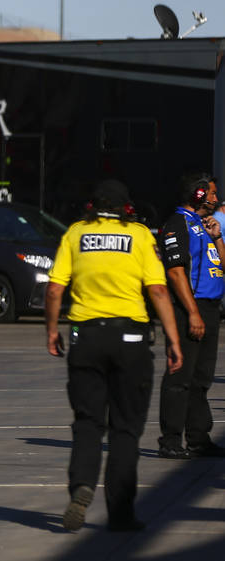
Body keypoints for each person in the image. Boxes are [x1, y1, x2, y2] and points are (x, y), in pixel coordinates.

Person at [45, 179, 182, 532]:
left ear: (93, 205)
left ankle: (82, 487)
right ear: (126, 207)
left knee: (88, 423)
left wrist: (51, 330)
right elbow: (158, 291)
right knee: (125, 429)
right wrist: (173, 339)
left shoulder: (76, 234)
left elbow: (55, 288)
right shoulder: (138, 236)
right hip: (131, 340)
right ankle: (120, 513)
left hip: (86, 337)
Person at [157, 173, 225, 459]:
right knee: (180, 376)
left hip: (210, 309)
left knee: (201, 378)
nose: (215, 198)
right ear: (197, 195)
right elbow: (175, 272)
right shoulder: (178, 223)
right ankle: (170, 440)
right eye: (210, 193)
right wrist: (193, 313)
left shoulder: (205, 226)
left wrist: (218, 238)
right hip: (189, 309)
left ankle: (198, 437)